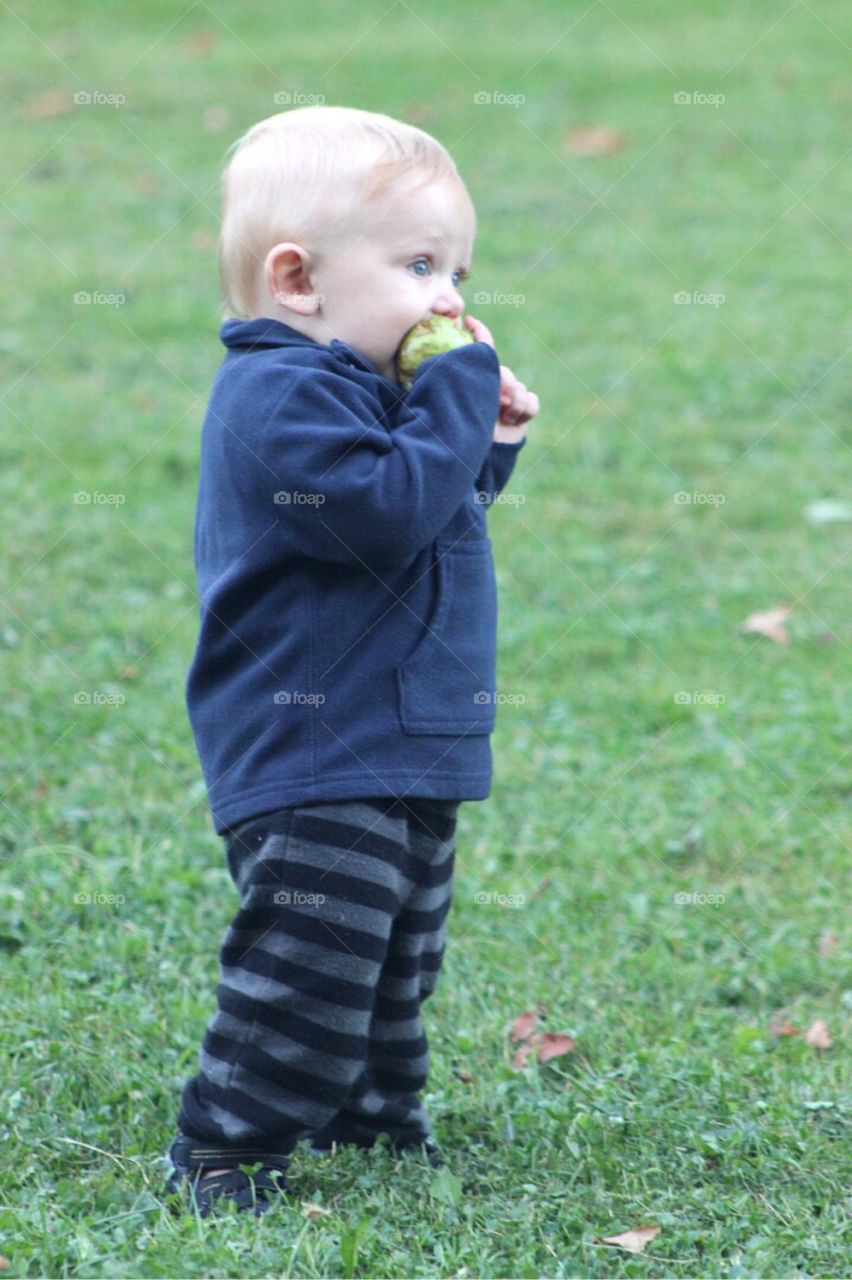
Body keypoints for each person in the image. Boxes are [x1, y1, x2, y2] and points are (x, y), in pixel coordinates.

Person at [164, 104, 540, 1217]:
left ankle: (373, 1114)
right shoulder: (279, 395)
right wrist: (460, 396)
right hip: (316, 736)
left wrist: (490, 449)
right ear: (297, 278)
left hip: (403, 733)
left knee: (393, 958)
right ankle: (224, 1146)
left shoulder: (365, 391)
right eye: (421, 264)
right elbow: (382, 514)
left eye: (459, 268)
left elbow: (428, 516)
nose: (450, 298)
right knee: (313, 964)